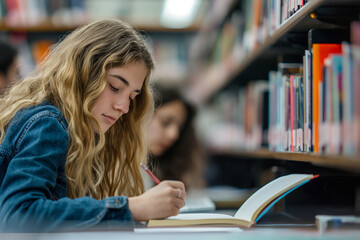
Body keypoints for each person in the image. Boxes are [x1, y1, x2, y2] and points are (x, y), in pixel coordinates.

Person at [0, 18, 186, 232]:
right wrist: (133, 207)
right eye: (115, 87)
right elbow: (18, 215)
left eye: (132, 97)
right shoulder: (48, 123)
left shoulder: (78, 130)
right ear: (82, 73)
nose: (124, 107)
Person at [147, 84, 206, 189]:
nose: (174, 135)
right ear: (142, 116)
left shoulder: (168, 167)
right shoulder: (117, 165)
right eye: (165, 122)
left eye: (180, 128)